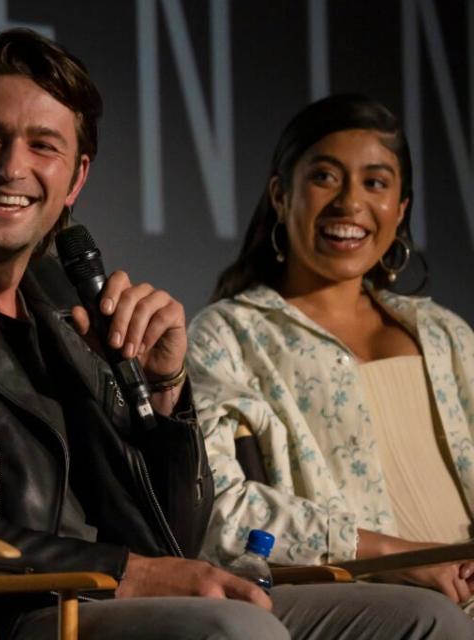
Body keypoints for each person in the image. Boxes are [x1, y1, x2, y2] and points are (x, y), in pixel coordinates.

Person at [0, 31, 474, 639]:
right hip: (4, 611)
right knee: (232, 630)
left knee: (424, 621)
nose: (11, 168)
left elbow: (174, 529)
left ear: (76, 177)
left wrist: (168, 397)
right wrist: (125, 573)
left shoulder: (66, 306)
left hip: (112, 593)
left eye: (43, 146)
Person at [187, 93, 474, 607]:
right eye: (325, 176)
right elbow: (219, 511)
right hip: (363, 607)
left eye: (376, 182)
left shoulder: (447, 334)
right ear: (281, 194)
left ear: (401, 207)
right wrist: (399, 557)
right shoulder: (225, 336)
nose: (350, 203)